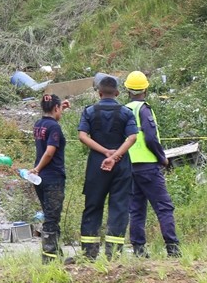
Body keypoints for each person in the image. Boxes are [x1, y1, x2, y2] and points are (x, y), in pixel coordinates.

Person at [77, 75, 138, 260]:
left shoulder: (89, 112)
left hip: (97, 165)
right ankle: (113, 255)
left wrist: (105, 152)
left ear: (99, 93)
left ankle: (88, 254)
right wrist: (116, 155)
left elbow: (82, 136)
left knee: (93, 206)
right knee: (119, 207)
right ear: (118, 93)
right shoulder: (126, 113)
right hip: (121, 165)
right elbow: (132, 137)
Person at [122, 71, 180, 257]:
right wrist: (162, 158)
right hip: (148, 166)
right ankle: (173, 248)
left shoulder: (123, 110)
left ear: (127, 90)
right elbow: (150, 138)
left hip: (130, 167)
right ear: (145, 89)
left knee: (136, 209)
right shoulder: (144, 110)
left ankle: (139, 250)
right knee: (164, 207)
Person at [29, 94, 69, 264]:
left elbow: (50, 128)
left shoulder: (39, 124)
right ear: (55, 108)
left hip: (40, 179)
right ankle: (49, 258)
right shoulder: (55, 128)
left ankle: (56, 255)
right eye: (59, 108)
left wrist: (61, 109)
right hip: (52, 177)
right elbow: (50, 151)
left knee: (49, 214)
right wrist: (38, 168)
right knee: (52, 218)